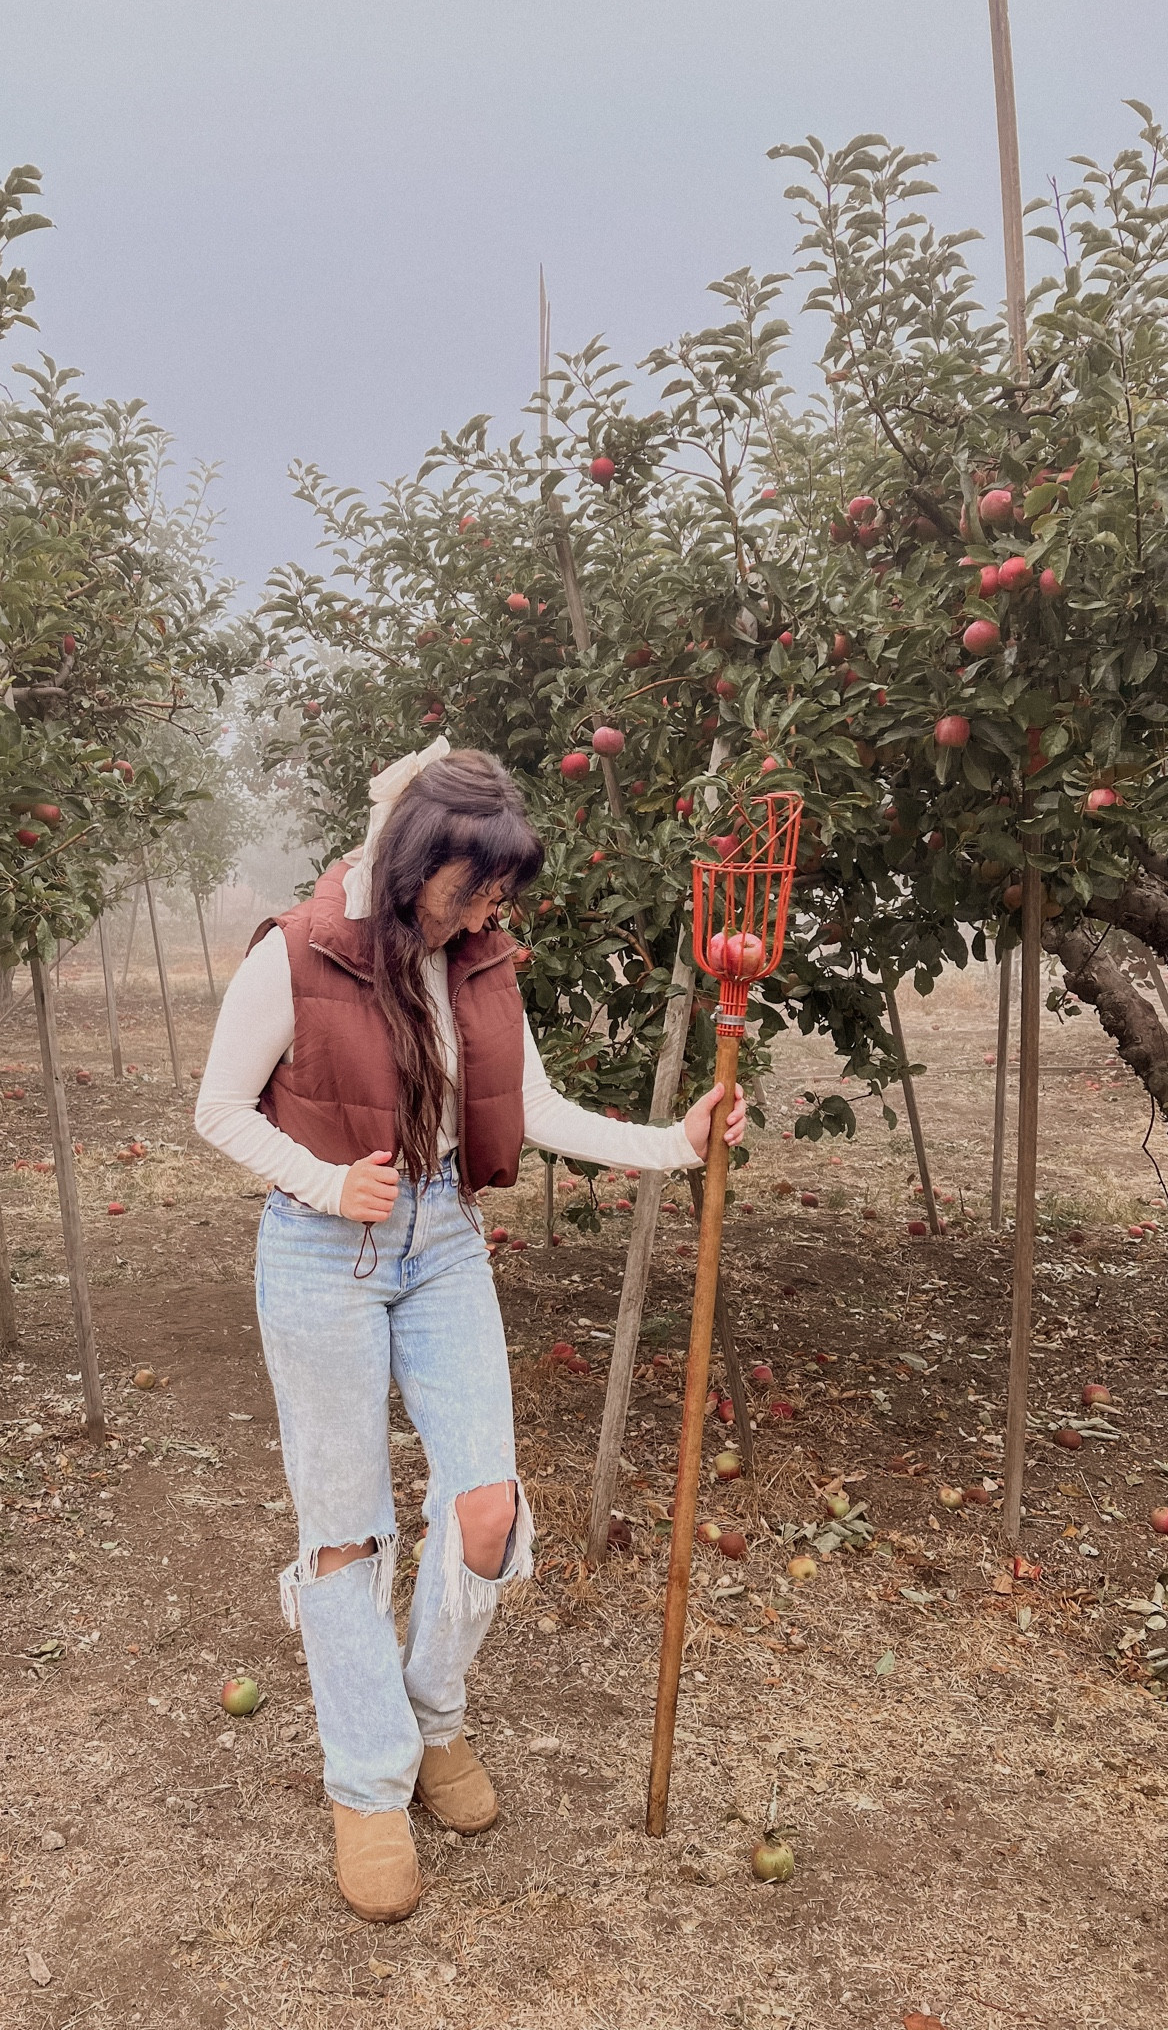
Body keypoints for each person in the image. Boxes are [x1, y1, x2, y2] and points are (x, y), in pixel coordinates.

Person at [194, 741, 746, 1922]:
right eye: (476, 882)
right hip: (320, 1250)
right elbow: (216, 1108)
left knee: (485, 1505)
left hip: (440, 1238)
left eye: (504, 888)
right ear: (412, 860)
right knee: (345, 1533)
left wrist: (676, 1145)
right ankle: (368, 1783)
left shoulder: (482, 960)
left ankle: (431, 1711)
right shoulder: (295, 952)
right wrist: (318, 1178)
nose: (493, 907)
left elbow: (528, 1106)